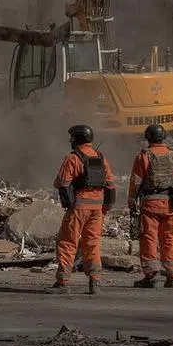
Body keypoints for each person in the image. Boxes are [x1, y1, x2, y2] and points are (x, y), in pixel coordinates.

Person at [50, 124, 116, 294]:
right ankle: (95, 282)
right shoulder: (101, 158)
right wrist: (106, 208)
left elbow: (62, 182)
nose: (70, 141)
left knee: (67, 242)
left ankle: (63, 283)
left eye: (72, 138)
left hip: (79, 208)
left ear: (77, 139)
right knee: (92, 244)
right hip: (97, 209)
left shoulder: (73, 158)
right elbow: (111, 185)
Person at [127, 124, 173, 289]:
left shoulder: (143, 156)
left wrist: (132, 204)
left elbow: (135, 183)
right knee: (169, 240)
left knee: (149, 239)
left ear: (148, 138)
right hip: (170, 204)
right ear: (164, 137)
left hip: (151, 204)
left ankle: (152, 276)